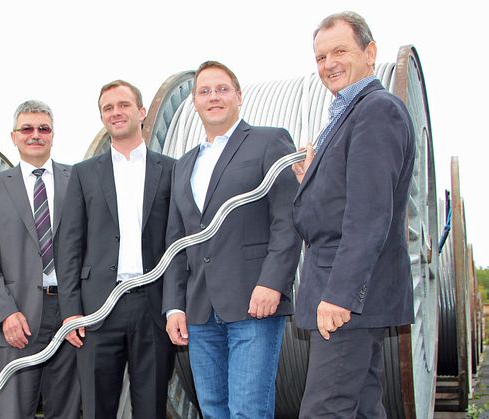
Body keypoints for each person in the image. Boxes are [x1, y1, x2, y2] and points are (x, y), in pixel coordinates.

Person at [291, 11, 415, 418]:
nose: (329, 64)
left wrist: (341, 295)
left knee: (325, 411)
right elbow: (347, 197)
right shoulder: (349, 113)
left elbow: (369, 214)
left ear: (370, 53)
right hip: (347, 298)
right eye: (321, 57)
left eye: (340, 51)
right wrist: (314, 180)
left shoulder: (375, 110)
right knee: (361, 408)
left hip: (345, 301)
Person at [162, 61, 301, 419]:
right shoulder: (184, 164)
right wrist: (175, 306)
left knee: (248, 410)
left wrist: (272, 282)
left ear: (239, 96)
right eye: (205, 91)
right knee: (213, 410)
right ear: (195, 102)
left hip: (253, 302)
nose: (214, 98)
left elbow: (287, 219)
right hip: (199, 309)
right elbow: (176, 242)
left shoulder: (270, 141)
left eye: (222, 89)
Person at [56, 80, 176, 419]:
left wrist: (176, 304)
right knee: (96, 407)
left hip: (152, 304)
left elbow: (180, 241)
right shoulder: (82, 175)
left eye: (123, 105)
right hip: (97, 308)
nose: (115, 112)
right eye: (108, 108)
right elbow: (69, 246)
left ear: (140, 112)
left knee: (151, 405)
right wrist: (71, 311)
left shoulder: (170, 169)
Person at [0, 100, 80, 419]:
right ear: (14, 136)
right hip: (18, 316)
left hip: (69, 314)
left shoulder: (77, 180)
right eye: (27, 129)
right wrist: (5, 313)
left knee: (68, 409)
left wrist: (79, 310)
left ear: (52, 135)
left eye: (43, 129)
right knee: (15, 410)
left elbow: (87, 248)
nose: (35, 135)